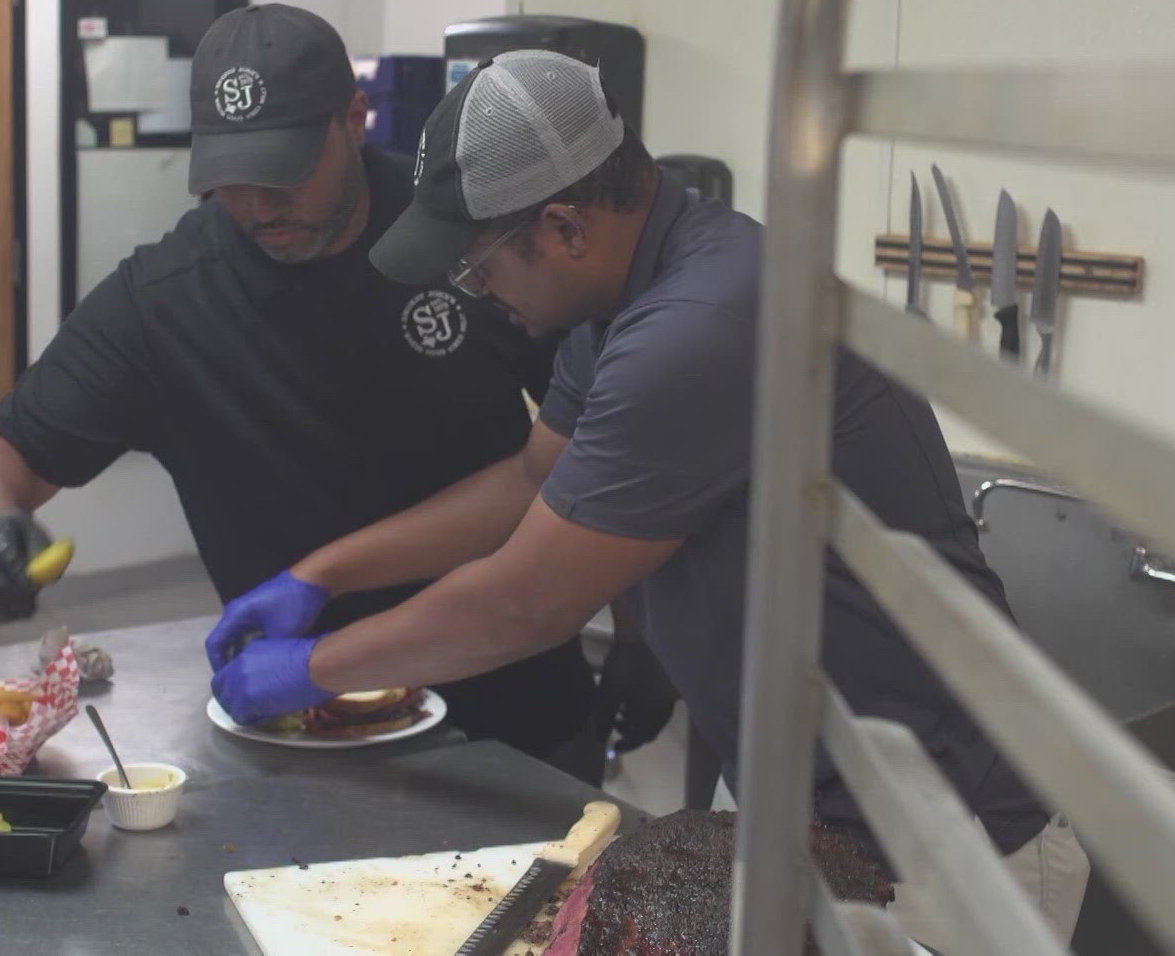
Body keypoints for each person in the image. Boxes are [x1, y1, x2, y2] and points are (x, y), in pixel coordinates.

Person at [209, 49, 1090, 943]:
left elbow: (529, 603)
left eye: (479, 268)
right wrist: (321, 575)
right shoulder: (622, 305)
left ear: (563, 227)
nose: (484, 295)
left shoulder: (699, 325)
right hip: (839, 815)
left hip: (960, 835)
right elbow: (531, 479)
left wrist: (312, 670)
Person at [0, 6, 617, 783]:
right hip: (295, 730)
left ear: (353, 119)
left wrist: (639, 634)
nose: (260, 205)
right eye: (229, 180)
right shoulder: (164, 301)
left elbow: (599, 449)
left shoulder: (470, 234)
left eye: (285, 170)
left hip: (519, 706)